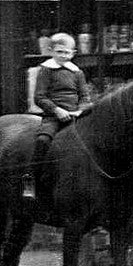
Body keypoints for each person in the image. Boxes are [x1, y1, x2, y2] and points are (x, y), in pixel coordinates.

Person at [24, 32, 91, 206]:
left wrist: (80, 111)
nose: (63, 56)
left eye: (67, 53)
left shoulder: (77, 73)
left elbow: (84, 97)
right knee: (43, 140)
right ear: (51, 51)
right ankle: (30, 179)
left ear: (73, 53)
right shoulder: (46, 70)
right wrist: (56, 110)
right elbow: (39, 97)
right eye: (60, 52)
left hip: (74, 116)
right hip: (53, 116)